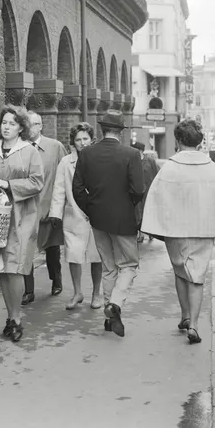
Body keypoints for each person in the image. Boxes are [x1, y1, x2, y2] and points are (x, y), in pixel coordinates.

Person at [0, 104, 44, 342]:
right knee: (2, 269)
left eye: (12, 123)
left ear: (21, 128)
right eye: (4, 122)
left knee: (16, 267)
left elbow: (37, 182)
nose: (7, 127)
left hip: (22, 217)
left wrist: (9, 185)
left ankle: (17, 318)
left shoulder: (30, 152)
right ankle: (10, 317)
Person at [141, 120, 215, 344]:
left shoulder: (170, 168)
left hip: (175, 229)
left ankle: (185, 315)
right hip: (204, 228)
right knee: (197, 276)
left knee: (180, 271)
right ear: (199, 141)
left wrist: (155, 227)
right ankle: (194, 325)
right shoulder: (212, 168)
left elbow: (156, 199)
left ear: (178, 140)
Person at [72, 110, 144, 337]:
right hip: (124, 218)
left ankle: (109, 317)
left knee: (109, 267)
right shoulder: (131, 154)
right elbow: (138, 189)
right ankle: (114, 304)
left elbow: (77, 189)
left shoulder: (87, 153)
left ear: (102, 129)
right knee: (129, 265)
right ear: (121, 131)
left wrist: (91, 209)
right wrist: (127, 204)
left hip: (98, 219)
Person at [49, 122, 103, 310]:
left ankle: (96, 294)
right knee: (73, 255)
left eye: (85, 138)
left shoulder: (99, 159)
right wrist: (55, 214)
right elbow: (59, 189)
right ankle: (77, 292)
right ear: (73, 142)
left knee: (97, 257)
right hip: (74, 215)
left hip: (96, 216)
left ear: (92, 140)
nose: (82, 143)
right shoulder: (66, 163)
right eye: (78, 140)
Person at [22, 112, 68, 305]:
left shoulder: (55, 147)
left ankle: (56, 279)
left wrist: (60, 205)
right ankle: (28, 290)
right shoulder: (21, 148)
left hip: (49, 208)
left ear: (40, 126)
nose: (30, 128)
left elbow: (65, 174)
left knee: (52, 249)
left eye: (33, 124)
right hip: (27, 209)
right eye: (27, 124)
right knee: (26, 251)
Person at [131, 142, 160, 243]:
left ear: (140, 151)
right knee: (138, 212)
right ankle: (141, 234)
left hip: (149, 191)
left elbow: (156, 173)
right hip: (138, 191)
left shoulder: (150, 161)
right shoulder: (133, 161)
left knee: (148, 212)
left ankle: (151, 232)